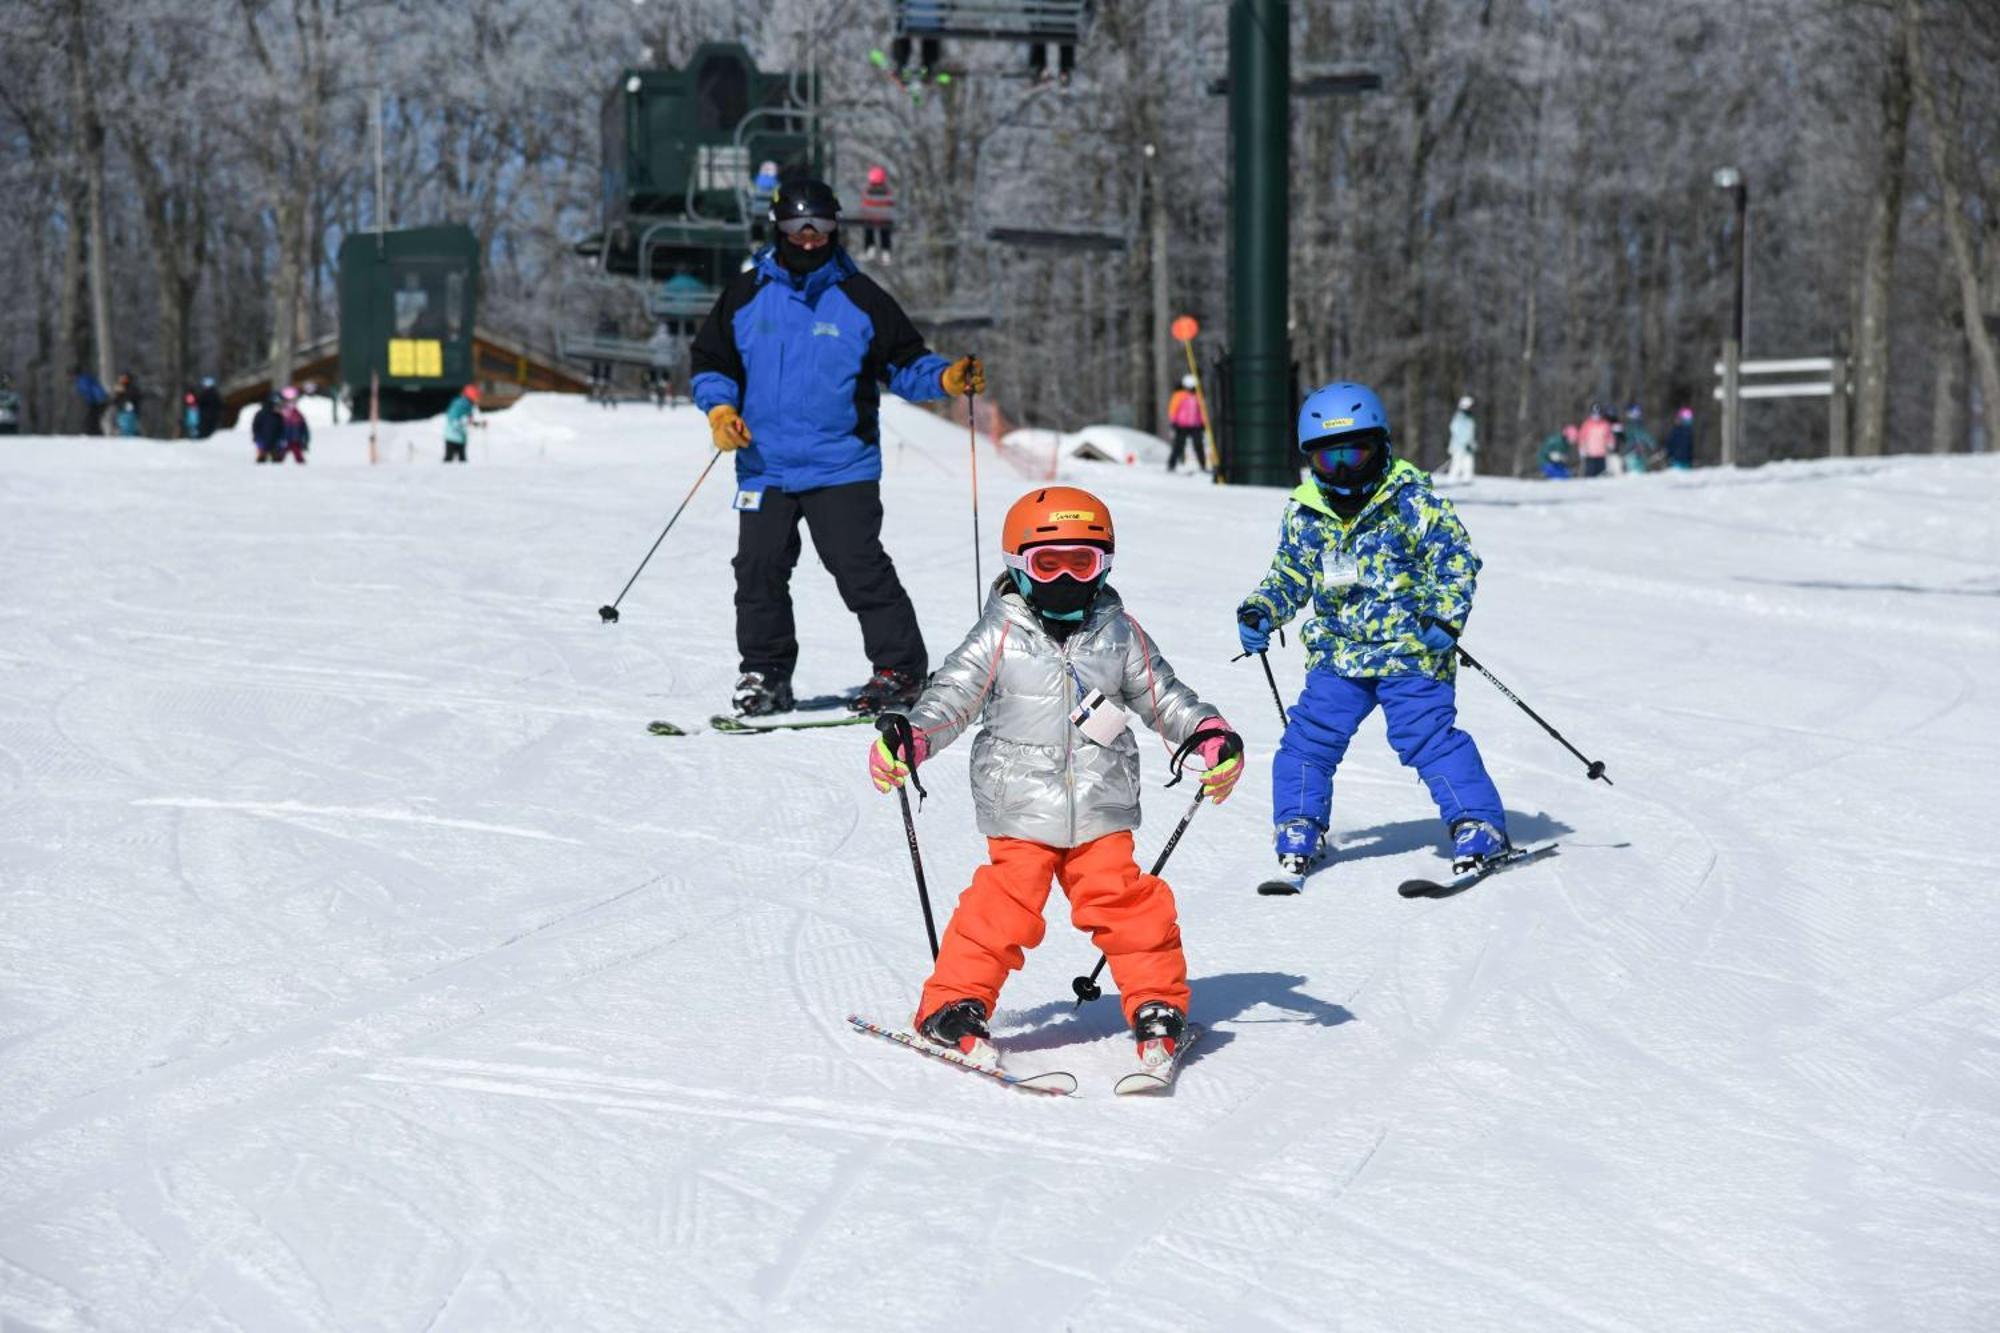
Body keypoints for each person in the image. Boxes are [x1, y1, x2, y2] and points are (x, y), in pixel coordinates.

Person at [868, 486, 1243, 1073]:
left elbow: (1164, 696)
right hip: (1020, 806)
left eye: (1082, 562)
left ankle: (1157, 1005)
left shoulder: (1119, 634)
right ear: (1018, 565)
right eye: (1048, 564)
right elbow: (952, 696)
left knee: (1127, 904)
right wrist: (913, 737)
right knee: (1003, 906)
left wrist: (1208, 733)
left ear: (1105, 565)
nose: (1066, 578)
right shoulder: (998, 634)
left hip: (1101, 804)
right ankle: (954, 1003)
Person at [691, 176, 983, 718]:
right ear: (776, 226)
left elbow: (905, 364)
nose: (808, 239)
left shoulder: (861, 298)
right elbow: (712, 364)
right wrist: (720, 410)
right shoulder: (746, 294)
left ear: (835, 228)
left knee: (857, 564)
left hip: (840, 463)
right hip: (765, 466)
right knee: (757, 568)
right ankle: (765, 674)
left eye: (820, 226)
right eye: (796, 227)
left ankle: (900, 671)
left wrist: (944, 379)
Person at [1236, 381, 1510, 884]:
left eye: (1354, 454)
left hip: (1411, 650)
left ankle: (1478, 823)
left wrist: (1445, 616)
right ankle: (1298, 822)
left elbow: (1455, 562)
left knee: (1426, 736)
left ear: (1381, 447)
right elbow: (1289, 576)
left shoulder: (1412, 502)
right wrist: (1261, 610)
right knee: (1307, 740)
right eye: (1328, 460)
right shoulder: (1304, 514)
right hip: (1339, 655)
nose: (1341, 472)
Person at [1165, 374, 1206, 472]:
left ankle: (1202, 465)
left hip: (1195, 425)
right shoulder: (1179, 395)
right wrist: (1173, 422)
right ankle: (1171, 464)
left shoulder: (1198, 396)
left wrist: (1203, 423)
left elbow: (1202, 411)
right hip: (1181, 425)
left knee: (1198, 445)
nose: (1190, 389)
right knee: (1178, 445)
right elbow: (1173, 410)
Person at [858, 165, 895, 264]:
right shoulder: (887, 191)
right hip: (885, 218)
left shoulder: (867, 190)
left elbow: (864, 203)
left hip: (870, 217)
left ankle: (870, 248)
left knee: (868, 231)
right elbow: (891, 203)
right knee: (885, 233)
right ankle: (886, 252)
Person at [1443, 394, 1478, 483]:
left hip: (1467, 446)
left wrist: (1471, 443)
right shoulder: (1459, 417)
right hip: (1459, 445)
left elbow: (1470, 432)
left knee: (1468, 463)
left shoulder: (1469, 417)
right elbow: (1455, 430)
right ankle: (1451, 479)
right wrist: (1464, 442)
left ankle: (1467, 478)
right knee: (1457, 463)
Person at [443, 383, 482, 462]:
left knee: (457, 459)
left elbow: (468, 421)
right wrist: (465, 426)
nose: (478, 399)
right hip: (453, 436)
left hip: (458, 437)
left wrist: (478, 424)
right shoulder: (463, 405)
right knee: (452, 459)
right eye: (477, 397)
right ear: (472, 396)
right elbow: (457, 420)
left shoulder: (467, 404)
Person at [1576, 405, 1614, 478]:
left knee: (1601, 475)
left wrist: (1610, 444)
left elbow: (1609, 437)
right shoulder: (1587, 425)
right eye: (1594, 413)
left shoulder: (1605, 425)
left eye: (1598, 414)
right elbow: (1582, 438)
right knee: (1590, 475)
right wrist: (1581, 449)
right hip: (1590, 454)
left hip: (1602, 454)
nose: (1596, 416)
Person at [278, 385, 310, 463]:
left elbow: (304, 428)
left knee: (299, 458)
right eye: (288, 400)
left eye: (293, 400)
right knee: (278, 458)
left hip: (296, 440)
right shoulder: (280, 415)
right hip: (284, 440)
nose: (290, 403)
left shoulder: (298, 415)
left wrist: (305, 440)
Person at [250, 392, 284, 464]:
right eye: (278, 406)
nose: (279, 408)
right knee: (261, 460)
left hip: (275, 443)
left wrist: (281, 439)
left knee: (277, 461)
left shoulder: (279, 416)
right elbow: (255, 427)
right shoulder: (261, 414)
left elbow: (282, 429)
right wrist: (257, 438)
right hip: (263, 441)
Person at [73, 369, 109, 434]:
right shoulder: (85, 378)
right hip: (100, 400)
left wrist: (90, 402)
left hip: (98, 401)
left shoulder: (82, 380)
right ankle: (96, 433)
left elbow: (88, 392)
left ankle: (94, 433)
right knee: (94, 418)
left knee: (92, 418)